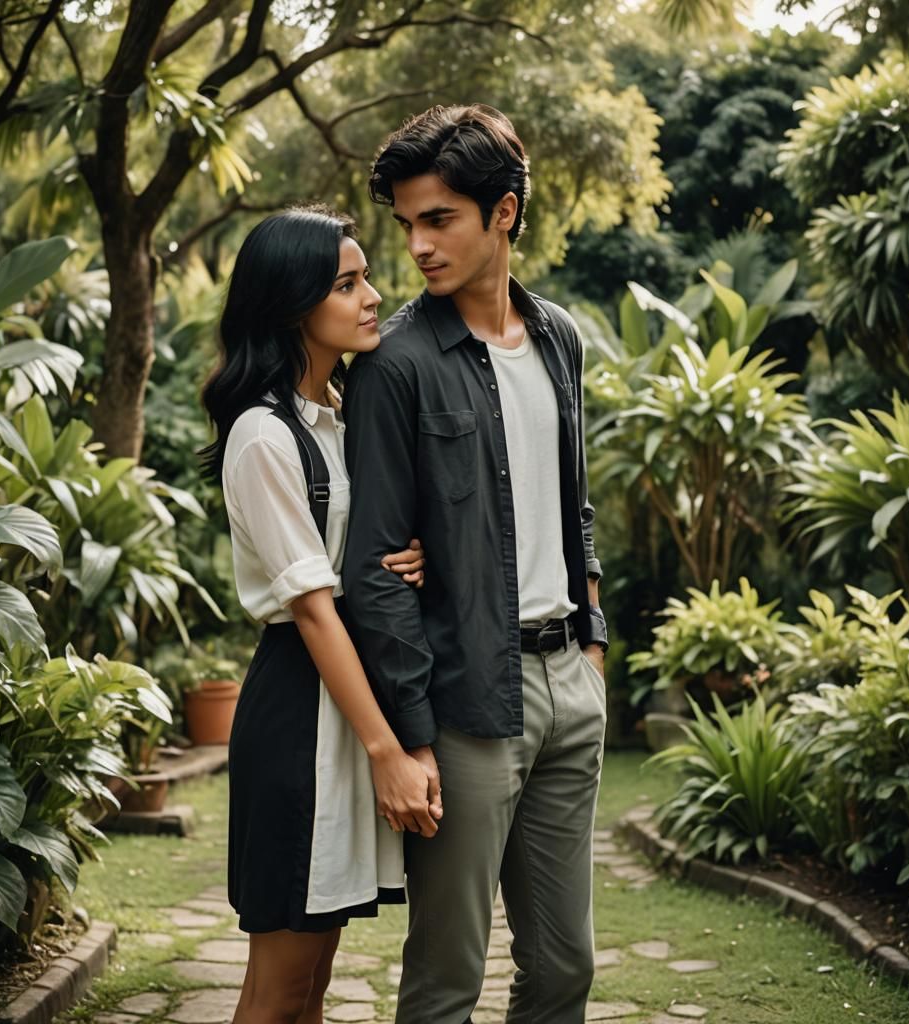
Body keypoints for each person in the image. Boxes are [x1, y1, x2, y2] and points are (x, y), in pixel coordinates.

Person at [341, 105, 609, 1024]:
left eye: (439, 218)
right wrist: (411, 736)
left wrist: (593, 647)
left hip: (569, 686)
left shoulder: (562, 340)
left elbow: (573, 504)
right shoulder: (396, 365)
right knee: (448, 980)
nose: (416, 244)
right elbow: (376, 566)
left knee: (566, 970)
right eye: (407, 222)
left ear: (503, 212)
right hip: (465, 705)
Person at [199, 205, 442, 1024]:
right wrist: (390, 753)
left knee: (312, 984)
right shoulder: (263, 437)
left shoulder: (337, 418)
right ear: (293, 301)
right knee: (278, 989)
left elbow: (357, 556)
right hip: (302, 713)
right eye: (347, 283)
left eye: (367, 276)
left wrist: (416, 555)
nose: (373, 295)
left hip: (343, 704)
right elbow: (311, 608)